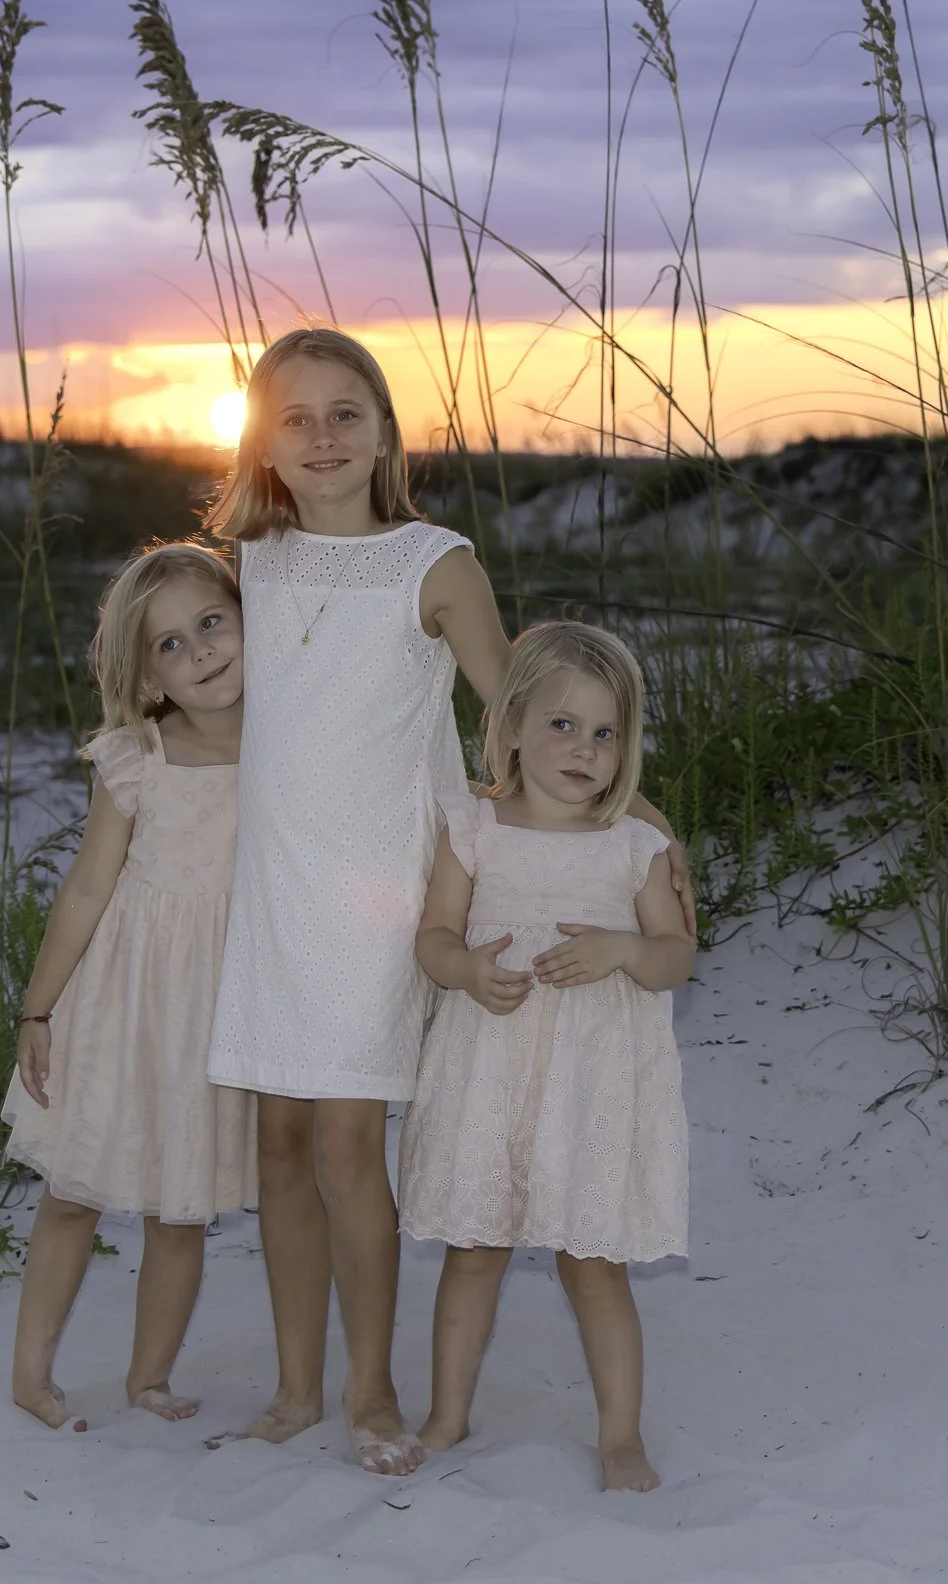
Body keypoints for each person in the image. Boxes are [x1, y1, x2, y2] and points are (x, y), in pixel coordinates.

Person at [205, 326, 692, 1477]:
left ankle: (371, 1393)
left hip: (381, 897)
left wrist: (641, 820)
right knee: (274, 1143)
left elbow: (516, 711)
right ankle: (292, 1386)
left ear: (384, 428)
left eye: (345, 413)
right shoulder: (256, 560)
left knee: (341, 1146)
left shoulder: (434, 561)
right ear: (260, 442)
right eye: (295, 417)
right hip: (271, 893)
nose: (321, 438)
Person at [398, 620, 694, 1491]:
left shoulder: (634, 847)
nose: (585, 750)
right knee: (475, 1247)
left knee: (591, 1260)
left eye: (605, 733)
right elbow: (434, 933)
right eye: (562, 725)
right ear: (512, 723)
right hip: (490, 1065)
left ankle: (620, 1439)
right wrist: (460, 968)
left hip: (588, 1078)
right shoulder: (473, 827)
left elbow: (675, 954)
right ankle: (447, 1416)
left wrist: (625, 951)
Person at [2, 542, 255, 1432]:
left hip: (214, 1014)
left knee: (179, 1208)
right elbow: (86, 888)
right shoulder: (138, 759)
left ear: (246, 615)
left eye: (211, 623)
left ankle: (149, 1378)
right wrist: (40, 1009)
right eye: (170, 647)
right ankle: (32, 1373)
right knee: (73, 1190)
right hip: (117, 1000)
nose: (201, 653)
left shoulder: (290, 748)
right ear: (148, 679)